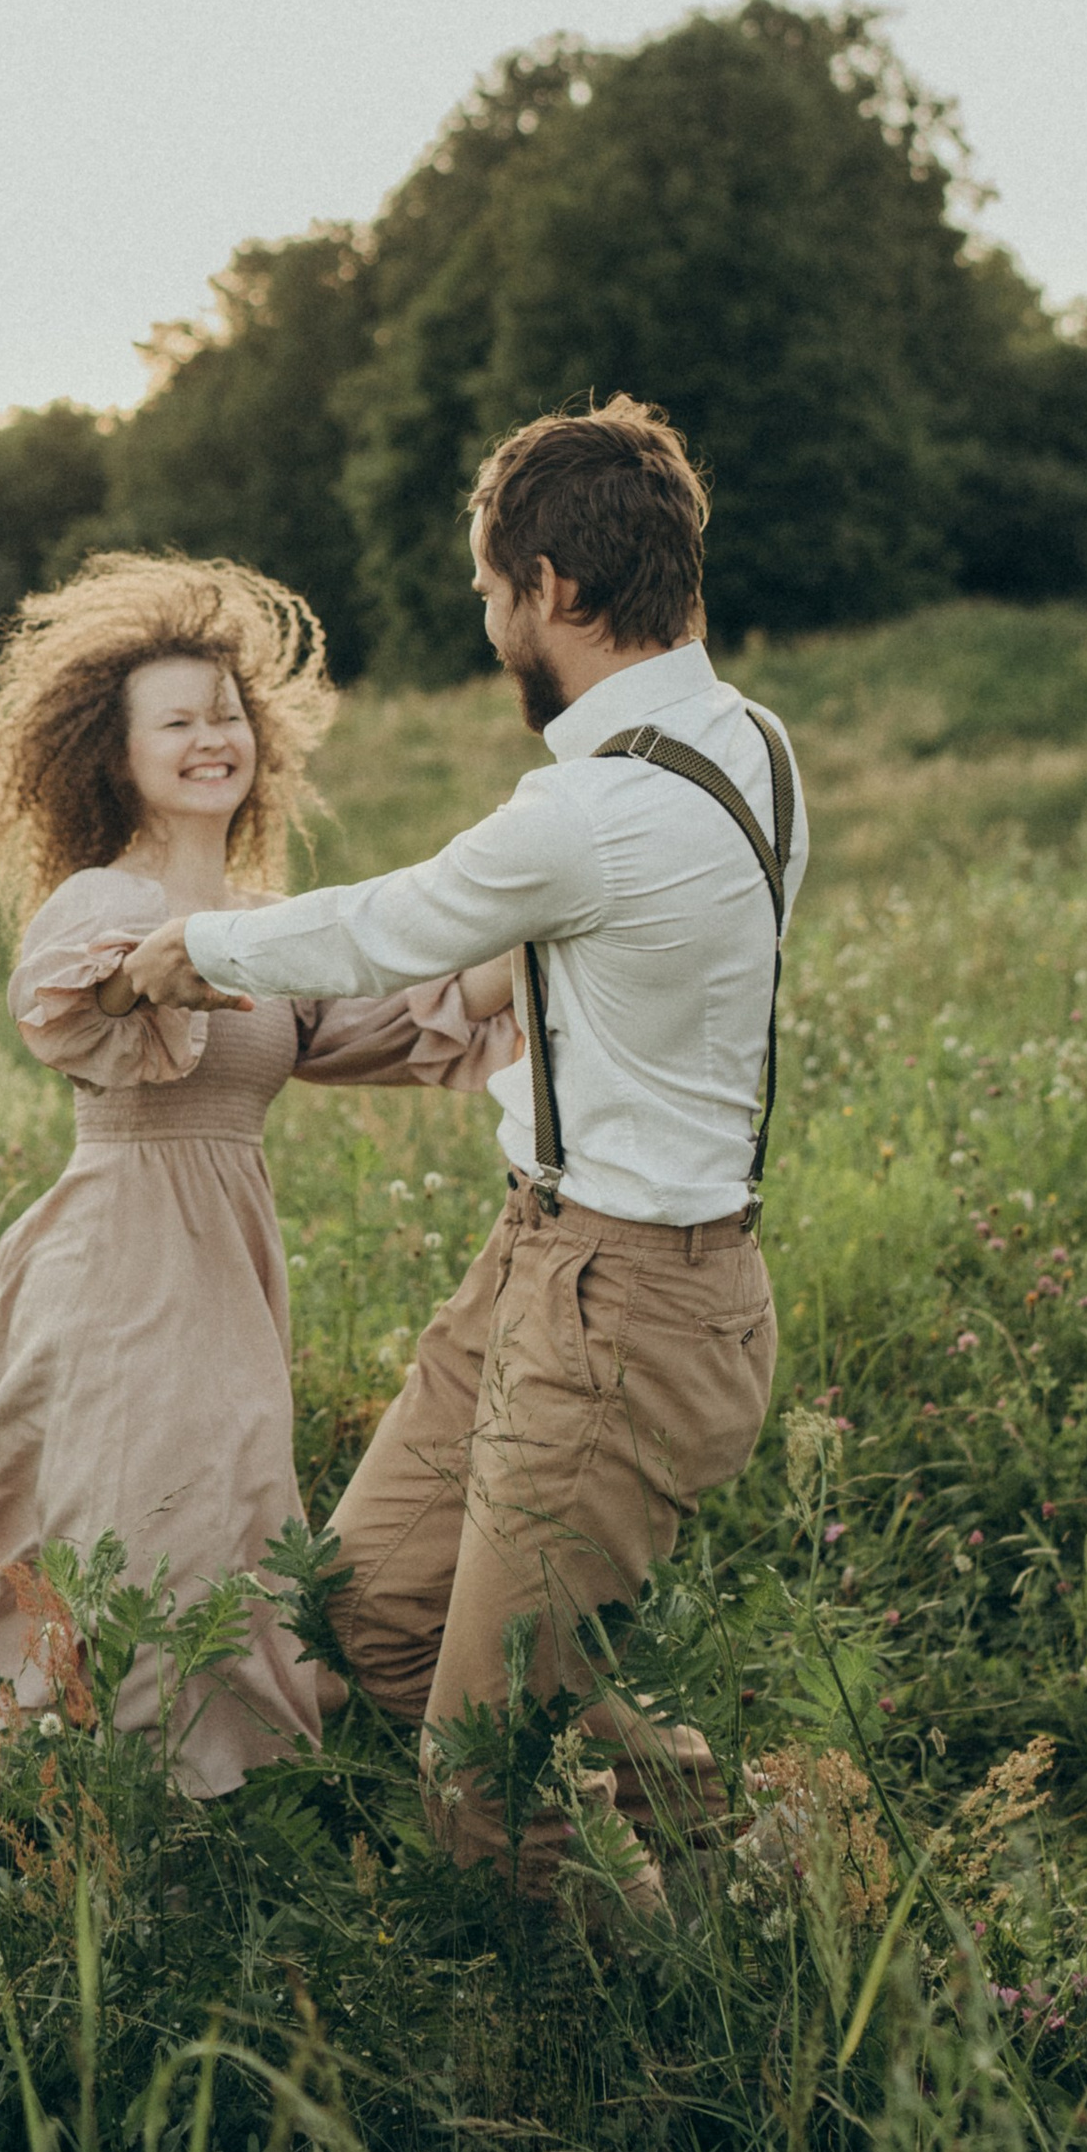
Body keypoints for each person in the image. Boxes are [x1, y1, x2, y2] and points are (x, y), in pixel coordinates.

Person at [121, 398, 805, 1896]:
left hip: (628, 1310)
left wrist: (195, 951)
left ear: (554, 588)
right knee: (366, 1617)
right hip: (548, 1263)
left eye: (493, 592)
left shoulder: (589, 809)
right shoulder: (754, 745)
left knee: (481, 1795)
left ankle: (664, 2013)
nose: (490, 621)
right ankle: (721, 1824)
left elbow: (387, 921)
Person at [0, 553, 519, 1805]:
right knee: (153, 1542)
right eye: (175, 721)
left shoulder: (262, 919)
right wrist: (146, 974)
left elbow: (402, 1018)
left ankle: (165, 1820)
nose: (210, 738)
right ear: (116, 756)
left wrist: (559, 914)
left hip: (223, 1266)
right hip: (120, 1264)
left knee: (227, 1535)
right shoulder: (97, 901)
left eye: (227, 714)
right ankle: (87, 1822)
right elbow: (66, 999)